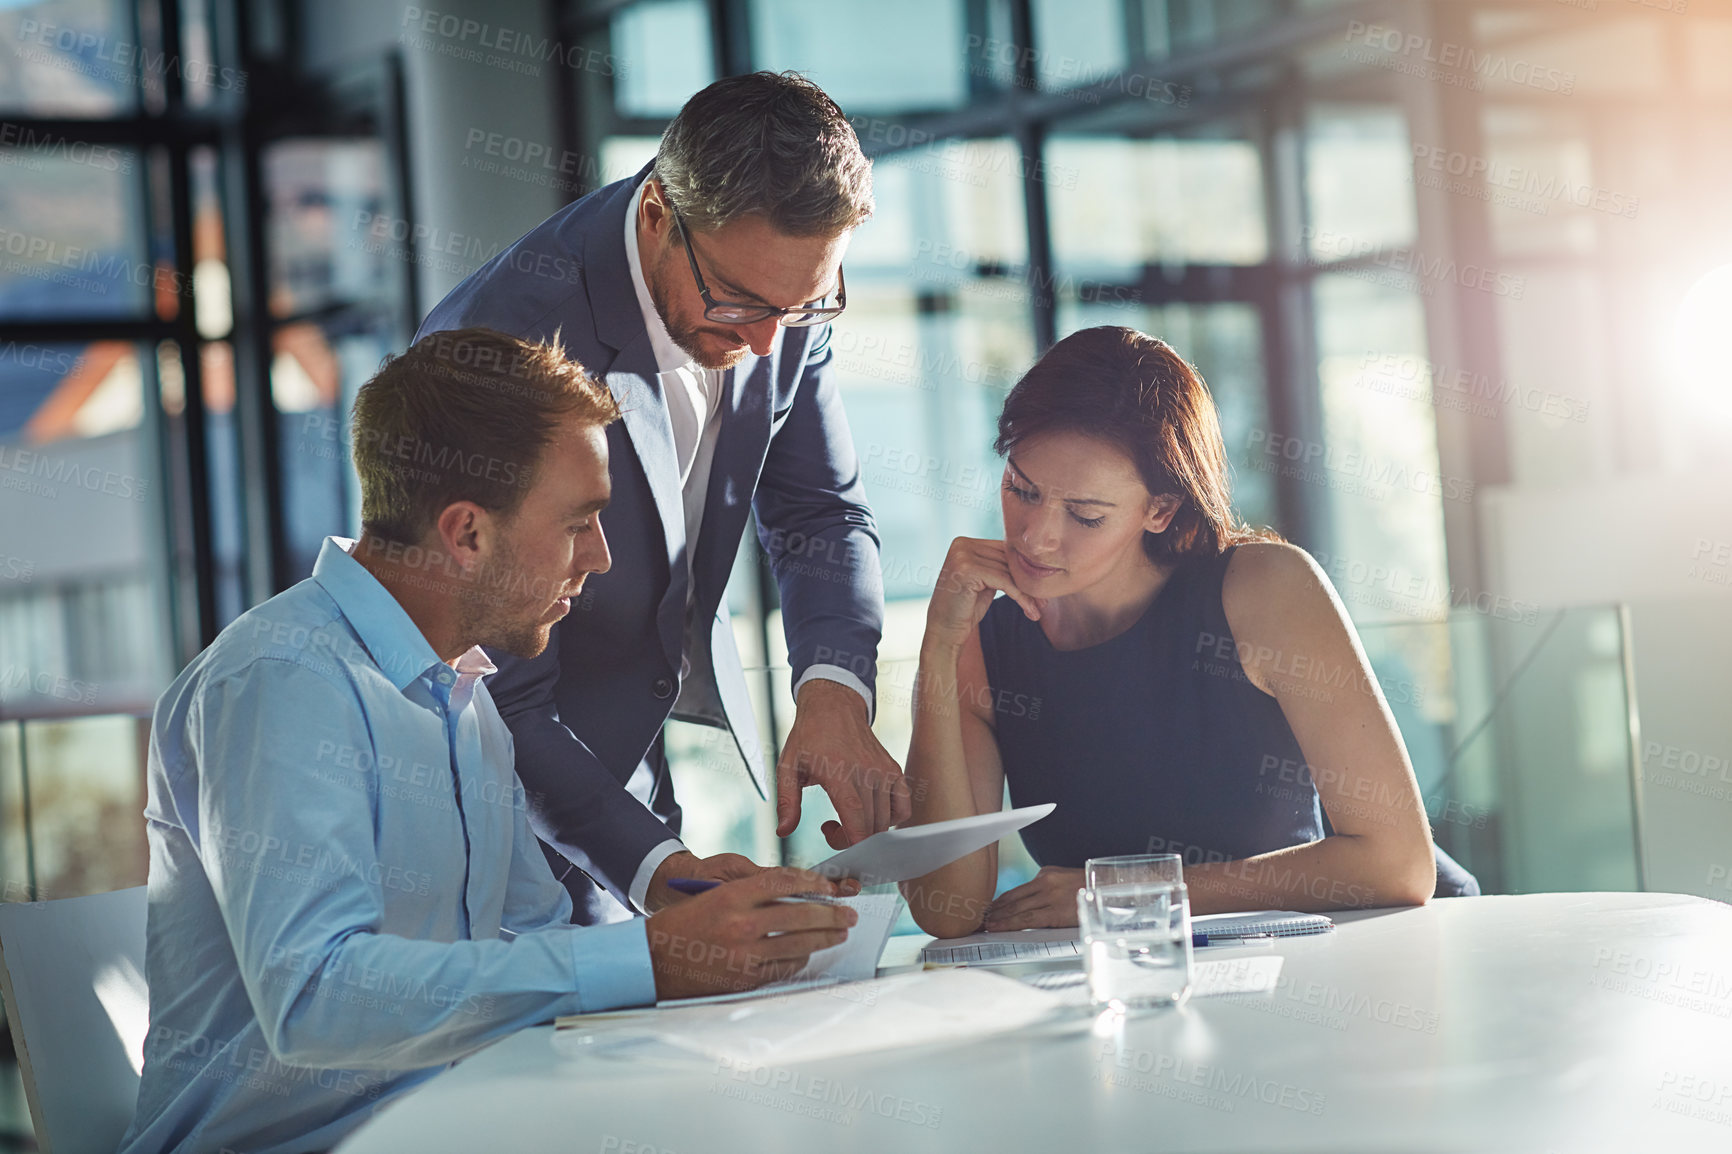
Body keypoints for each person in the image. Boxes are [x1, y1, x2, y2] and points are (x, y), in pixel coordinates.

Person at [119, 329, 856, 1154]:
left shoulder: (463, 692)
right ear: (466, 534)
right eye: (580, 523)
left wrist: (696, 927)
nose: (601, 559)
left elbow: (537, 945)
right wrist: (650, 959)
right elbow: (314, 1000)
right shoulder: (281, 680)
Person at [416, 71, 906, 926]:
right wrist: (665, 876)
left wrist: (831, 689)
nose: (765, 342)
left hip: (634, 778)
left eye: (802, 308)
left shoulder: (778, 299)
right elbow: (492, 691)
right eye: (742, 303)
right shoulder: (496, 345)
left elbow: (818, 512)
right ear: (656, 215)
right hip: (483, 834)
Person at [899, 327, 1478, 939]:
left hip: (1355, 951)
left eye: (1085, 515)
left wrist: (1131, 891)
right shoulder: (984, 630)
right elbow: (948, 911)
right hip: (1134, 982)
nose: (1037, 536)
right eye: (1022, 489)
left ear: (1161, 510)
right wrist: (938, 647)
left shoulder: (1263, 589)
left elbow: (1398, 863)